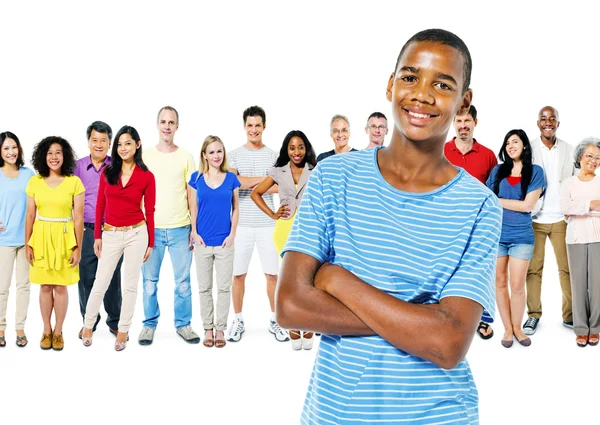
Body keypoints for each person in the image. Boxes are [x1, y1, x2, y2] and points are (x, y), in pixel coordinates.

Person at [277, 29, 502, 424]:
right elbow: (291, 305)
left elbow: (449, 344)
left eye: (443, 84)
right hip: (336, 413)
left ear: (464, 100)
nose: (422, 94)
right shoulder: (333, 178)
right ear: (390, 84)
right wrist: (422, 322)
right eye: (411, 77)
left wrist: (337, 280)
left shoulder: (480, 206)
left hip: (436, 415)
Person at [82, 126, 155, 351]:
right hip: (111, 232)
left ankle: (123, 330)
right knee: (100, 282)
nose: (123, 148)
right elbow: (100, 206)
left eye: (128, 143)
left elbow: (150, 210)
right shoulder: (108, 172)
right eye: (120, 144)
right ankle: (87, 325)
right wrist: (97, 236)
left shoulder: (147, 176)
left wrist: (150, 242)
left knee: (130, 284)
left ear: (138, 144)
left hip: (136, 233)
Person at [227, 105, 288, 343]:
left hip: (268, 223)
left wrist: (251, 182)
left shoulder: (274, 155)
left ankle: (275, 320)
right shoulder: (233, 155)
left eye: (258, 125)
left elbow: (279, 186)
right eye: (250, 125)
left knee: (272, 275)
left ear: (264, 127)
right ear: (244, 127)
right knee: (238, 274)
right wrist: (263, 181)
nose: (254, 130)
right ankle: (238, 319)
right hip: (241, 224)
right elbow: (234, 182)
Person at [139, 106, 200, 345]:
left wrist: (194, 229)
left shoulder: (186, 157)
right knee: (149, 282)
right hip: (150, 229)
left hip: (180, 228)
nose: (167, 126)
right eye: (163, 121)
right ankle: (149, 324)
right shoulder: (145, 156)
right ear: (157, 124)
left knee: (183, 282)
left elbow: (192, 195)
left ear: (177, 127)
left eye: (171, 122)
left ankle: (183, 324)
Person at [251, 130, 317, 350]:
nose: (296, 152)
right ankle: (293, 325)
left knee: (307, 279)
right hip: (285, 228)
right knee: (289, 280)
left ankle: (307, 323)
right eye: (292, 148)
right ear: (286, 150)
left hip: (309, 228)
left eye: (300, 147)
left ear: (306, 148)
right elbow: (255, 193)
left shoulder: (315, 170)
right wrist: (272, 214)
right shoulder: (279, 172)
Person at [486, 130, 545, 348]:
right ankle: (508, 329)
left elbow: (527, 206)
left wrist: (497, 200)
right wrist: (499, 201)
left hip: (521, 236)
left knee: (517, 284)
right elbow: (487, 199)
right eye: (508, 142)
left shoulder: (535, 172)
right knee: (500, 282)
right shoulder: (498, 170)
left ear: (525, 146)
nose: (511, 146)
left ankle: (518, 328)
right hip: (497, 235)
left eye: (515, 142)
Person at [25, 136, 84, 351]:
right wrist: (28, 244)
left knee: (60, 286)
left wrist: (78, 247)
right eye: (49, 153)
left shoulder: (74, 182)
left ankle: (58, 331)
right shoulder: (35, 182)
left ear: (65, 155)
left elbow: (78, 218)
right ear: (43, 156)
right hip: (40, 237)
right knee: (44, 286)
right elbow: (30, 215)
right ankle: (46, 329)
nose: (54, 157)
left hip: (64, 237)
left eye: (58, 152)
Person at [444, 105, 498, 340]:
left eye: (467, 120)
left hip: (478, 224)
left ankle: (482, 317)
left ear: (476, 122)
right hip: (446, 221)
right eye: (459, 120)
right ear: (453, 123)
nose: (463, 125)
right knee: (447, 270)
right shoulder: (441, 150)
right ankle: (447, 316)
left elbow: (495, 193)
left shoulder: (488, 155)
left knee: (480, 271)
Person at [524, 106, 575, 335]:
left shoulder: (569, 150)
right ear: (538, 123)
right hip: (535, 218)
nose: (548, 123)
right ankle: (533, 315)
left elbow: (575, 181)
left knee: (567, 269)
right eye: (544, 119)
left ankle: (571, 315)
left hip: (562, 219)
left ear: (557, 124)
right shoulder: (529, 149)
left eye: (552, 119)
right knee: (534, 269)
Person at [188, 135, 240, 348]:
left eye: (219, 151)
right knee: (204, 288)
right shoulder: (196, 178)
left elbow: (236, 208)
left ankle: (220, 329)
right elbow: (193, 208)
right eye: (211, 152)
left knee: (224, 288)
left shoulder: (231, 178)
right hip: (202, 242)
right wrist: (194, 232)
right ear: (204, 155)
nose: (216, 155)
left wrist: (232, 234)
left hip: (224, 242)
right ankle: (207, 329)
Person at [74, 121, 122, 340]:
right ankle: (88, 322)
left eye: (104, 140)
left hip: (112, 230)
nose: (99, 144)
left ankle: (115, 321)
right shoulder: (77, 167)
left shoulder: (117, 166)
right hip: (86, 229)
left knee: (112, 278)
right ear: (88, 142)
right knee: (86, 278)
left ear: (110, 142)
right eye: (95, 140)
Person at [560, 137, 600, 347]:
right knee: (578, 285)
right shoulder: (569, 183)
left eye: (598, 158)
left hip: (597, 238)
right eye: (590, 156)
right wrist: (592, 205)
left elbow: (573, 209)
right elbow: (565, 207)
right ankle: (581, 329)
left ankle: (595, 328)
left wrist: (580, 208)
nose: (593, 161)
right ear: (580, 157)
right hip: (575, 238)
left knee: (596, 286)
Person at [0, 132, 34, 347]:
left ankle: (20, 327)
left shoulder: (28, 174)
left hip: (26, 240)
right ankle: (0, 327)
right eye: (5, 148)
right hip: (3, 240)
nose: (11, 152)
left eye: (14, 147)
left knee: (24, 286)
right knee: (2, 287)